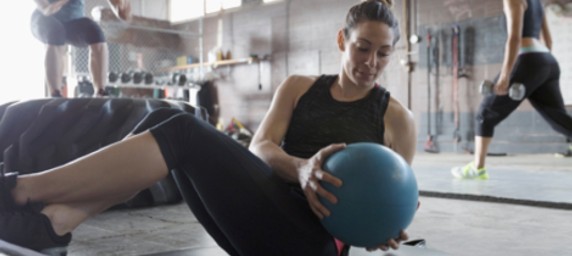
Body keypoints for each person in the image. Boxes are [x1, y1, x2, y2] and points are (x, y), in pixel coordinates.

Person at [2, 0, 417, 255]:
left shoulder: (396, 118)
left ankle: (23, 190)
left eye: (383, 53)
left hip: (316, 245)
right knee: (169, 116)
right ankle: (55, 222)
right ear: (343, 41)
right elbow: (261, 149)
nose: (371, 62)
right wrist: (302, 169)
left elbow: (394, 204)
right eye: (363, 47)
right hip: (262, 212)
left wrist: (385, 228)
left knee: (183, 130)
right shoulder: (298, 87)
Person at [451, 0, 572, 179]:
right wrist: (541, 66)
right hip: (547, 60)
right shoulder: (537, 2)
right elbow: (548, 40)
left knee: (485, 113)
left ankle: (478, 168)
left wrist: (505, 76)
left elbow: (514, 38)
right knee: (557, 118)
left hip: (528, 58)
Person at [30, 0, 131, 97]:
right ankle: (55, 92)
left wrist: (121, 9)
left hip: (72, 22)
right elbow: (47, 10)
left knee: (96, 33)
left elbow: (121, 11)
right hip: (43, 19)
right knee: (56, 31)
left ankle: (100, 91)